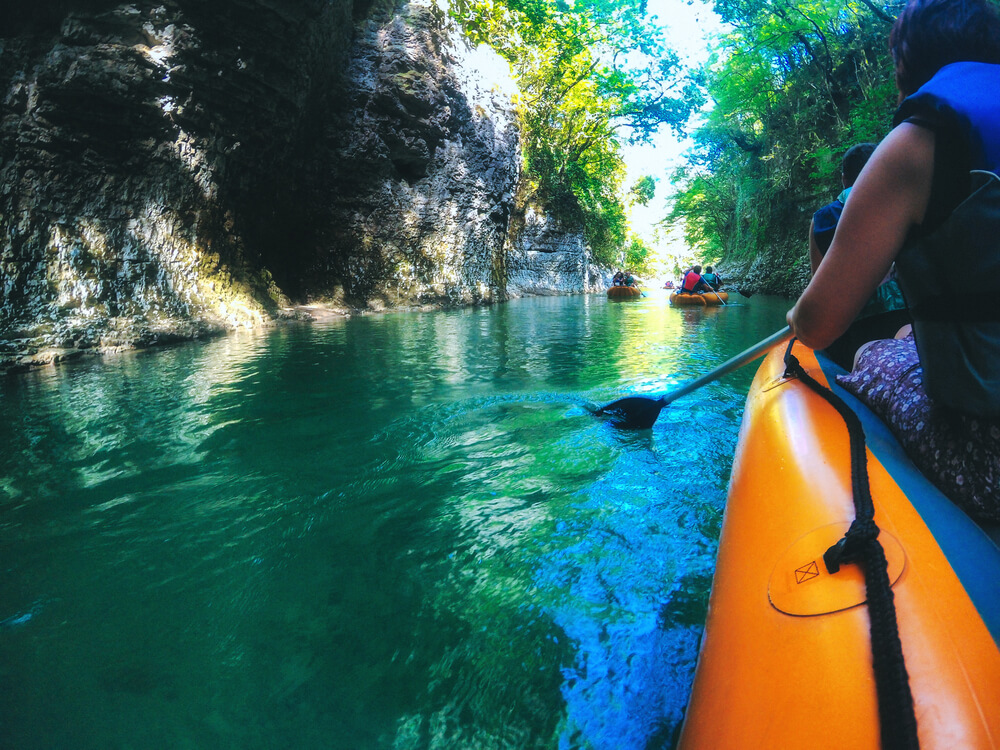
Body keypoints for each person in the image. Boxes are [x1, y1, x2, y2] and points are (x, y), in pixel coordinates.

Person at [787, 0, 1000, 524]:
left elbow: (817, 323)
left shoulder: (918, 140)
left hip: (987, 455)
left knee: (876, 352)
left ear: (911, 63)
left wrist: (796, 320)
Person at [808, 143, 912, 369]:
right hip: (905, 320)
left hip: (849, 332)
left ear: (844, 179)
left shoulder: (821, 219)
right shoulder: (907, 208)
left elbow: (818, 283)